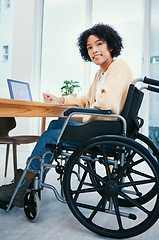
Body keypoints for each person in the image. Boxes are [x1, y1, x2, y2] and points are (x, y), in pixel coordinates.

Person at [0, 23, 133, 207]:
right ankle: (34, 176)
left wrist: (81, 117)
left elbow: (106, 105)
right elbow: (87, 99)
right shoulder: (102, 73)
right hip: (104, 126)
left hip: (103, 129)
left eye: (99, 44)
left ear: (110, 45)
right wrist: (60, 100)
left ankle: (23, 185)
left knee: (48, 136)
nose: (94, 50)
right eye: (89, 47)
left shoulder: (118, 67)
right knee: (55, 125)